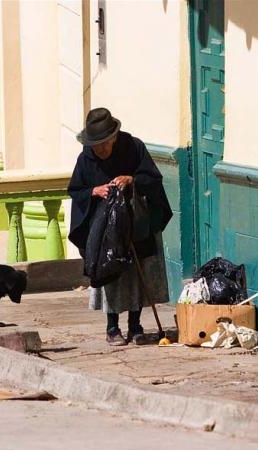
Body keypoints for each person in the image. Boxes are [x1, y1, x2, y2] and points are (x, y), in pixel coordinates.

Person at [68, 108, 172, 346]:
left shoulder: (134, 148)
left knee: (136, 271)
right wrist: (94, 191)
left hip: (135, 223)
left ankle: (135, 325)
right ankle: (112, 326)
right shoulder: (86, 159)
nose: (100, 150)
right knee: (110, 274)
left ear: (114, 137)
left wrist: (131, 179)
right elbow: (76, 190)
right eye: (96, 145)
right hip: (105, 230)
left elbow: (153, 179)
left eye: (104, 144)